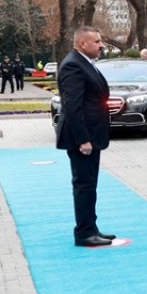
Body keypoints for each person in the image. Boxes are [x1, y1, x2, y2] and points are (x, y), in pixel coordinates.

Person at [56, 26, 117, 247]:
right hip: (82, 138)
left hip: (91, 135)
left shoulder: (84, 62)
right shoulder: (73, 64)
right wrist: (83, 139)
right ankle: (84, 233)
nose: (101, 45)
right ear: (83, 43)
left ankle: (91, 227)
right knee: (84, 185)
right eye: (97, 41)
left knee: (89, 184)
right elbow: (72, 106)